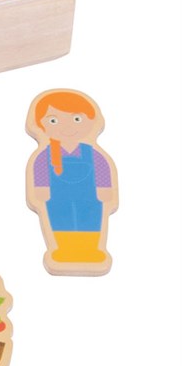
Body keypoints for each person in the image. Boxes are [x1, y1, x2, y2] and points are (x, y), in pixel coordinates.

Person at [26, 89, 118, 269]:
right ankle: (64, 250)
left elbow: (102, 169)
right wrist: (41, 188)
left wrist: (105, 189)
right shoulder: (44, 155)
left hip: (90, 196)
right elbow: (40, 169)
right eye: (53, 121)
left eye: (77, 119)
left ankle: (90, 250)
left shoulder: (94, 154)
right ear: (40, 125)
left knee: (90, 220)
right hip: (57, 197)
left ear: (92, 121)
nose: (67, 127)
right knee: (60, 220)